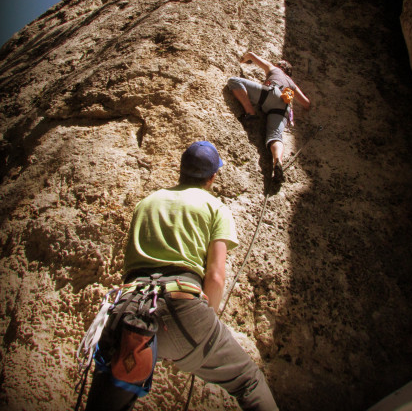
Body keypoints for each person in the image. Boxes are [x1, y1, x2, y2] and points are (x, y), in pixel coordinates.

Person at [84, 141, 278, 411]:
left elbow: (130, 268)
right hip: (184, 307)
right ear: (212, 177)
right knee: (248, 382)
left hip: (130, 310)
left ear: (181, 170)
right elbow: (216, 276)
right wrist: (204, 322)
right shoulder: (214, 207)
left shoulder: (147, 203)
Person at [228, 52, 310, 185]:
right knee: (275, 136)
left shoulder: (275, 69)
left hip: (271, 93)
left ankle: (250, 112)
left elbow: (252, 55)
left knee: (234, 81)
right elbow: (306, 103)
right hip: (283, 108)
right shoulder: (292, 84)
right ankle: (278, 161)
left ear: (280, 66)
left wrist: (242, 59)